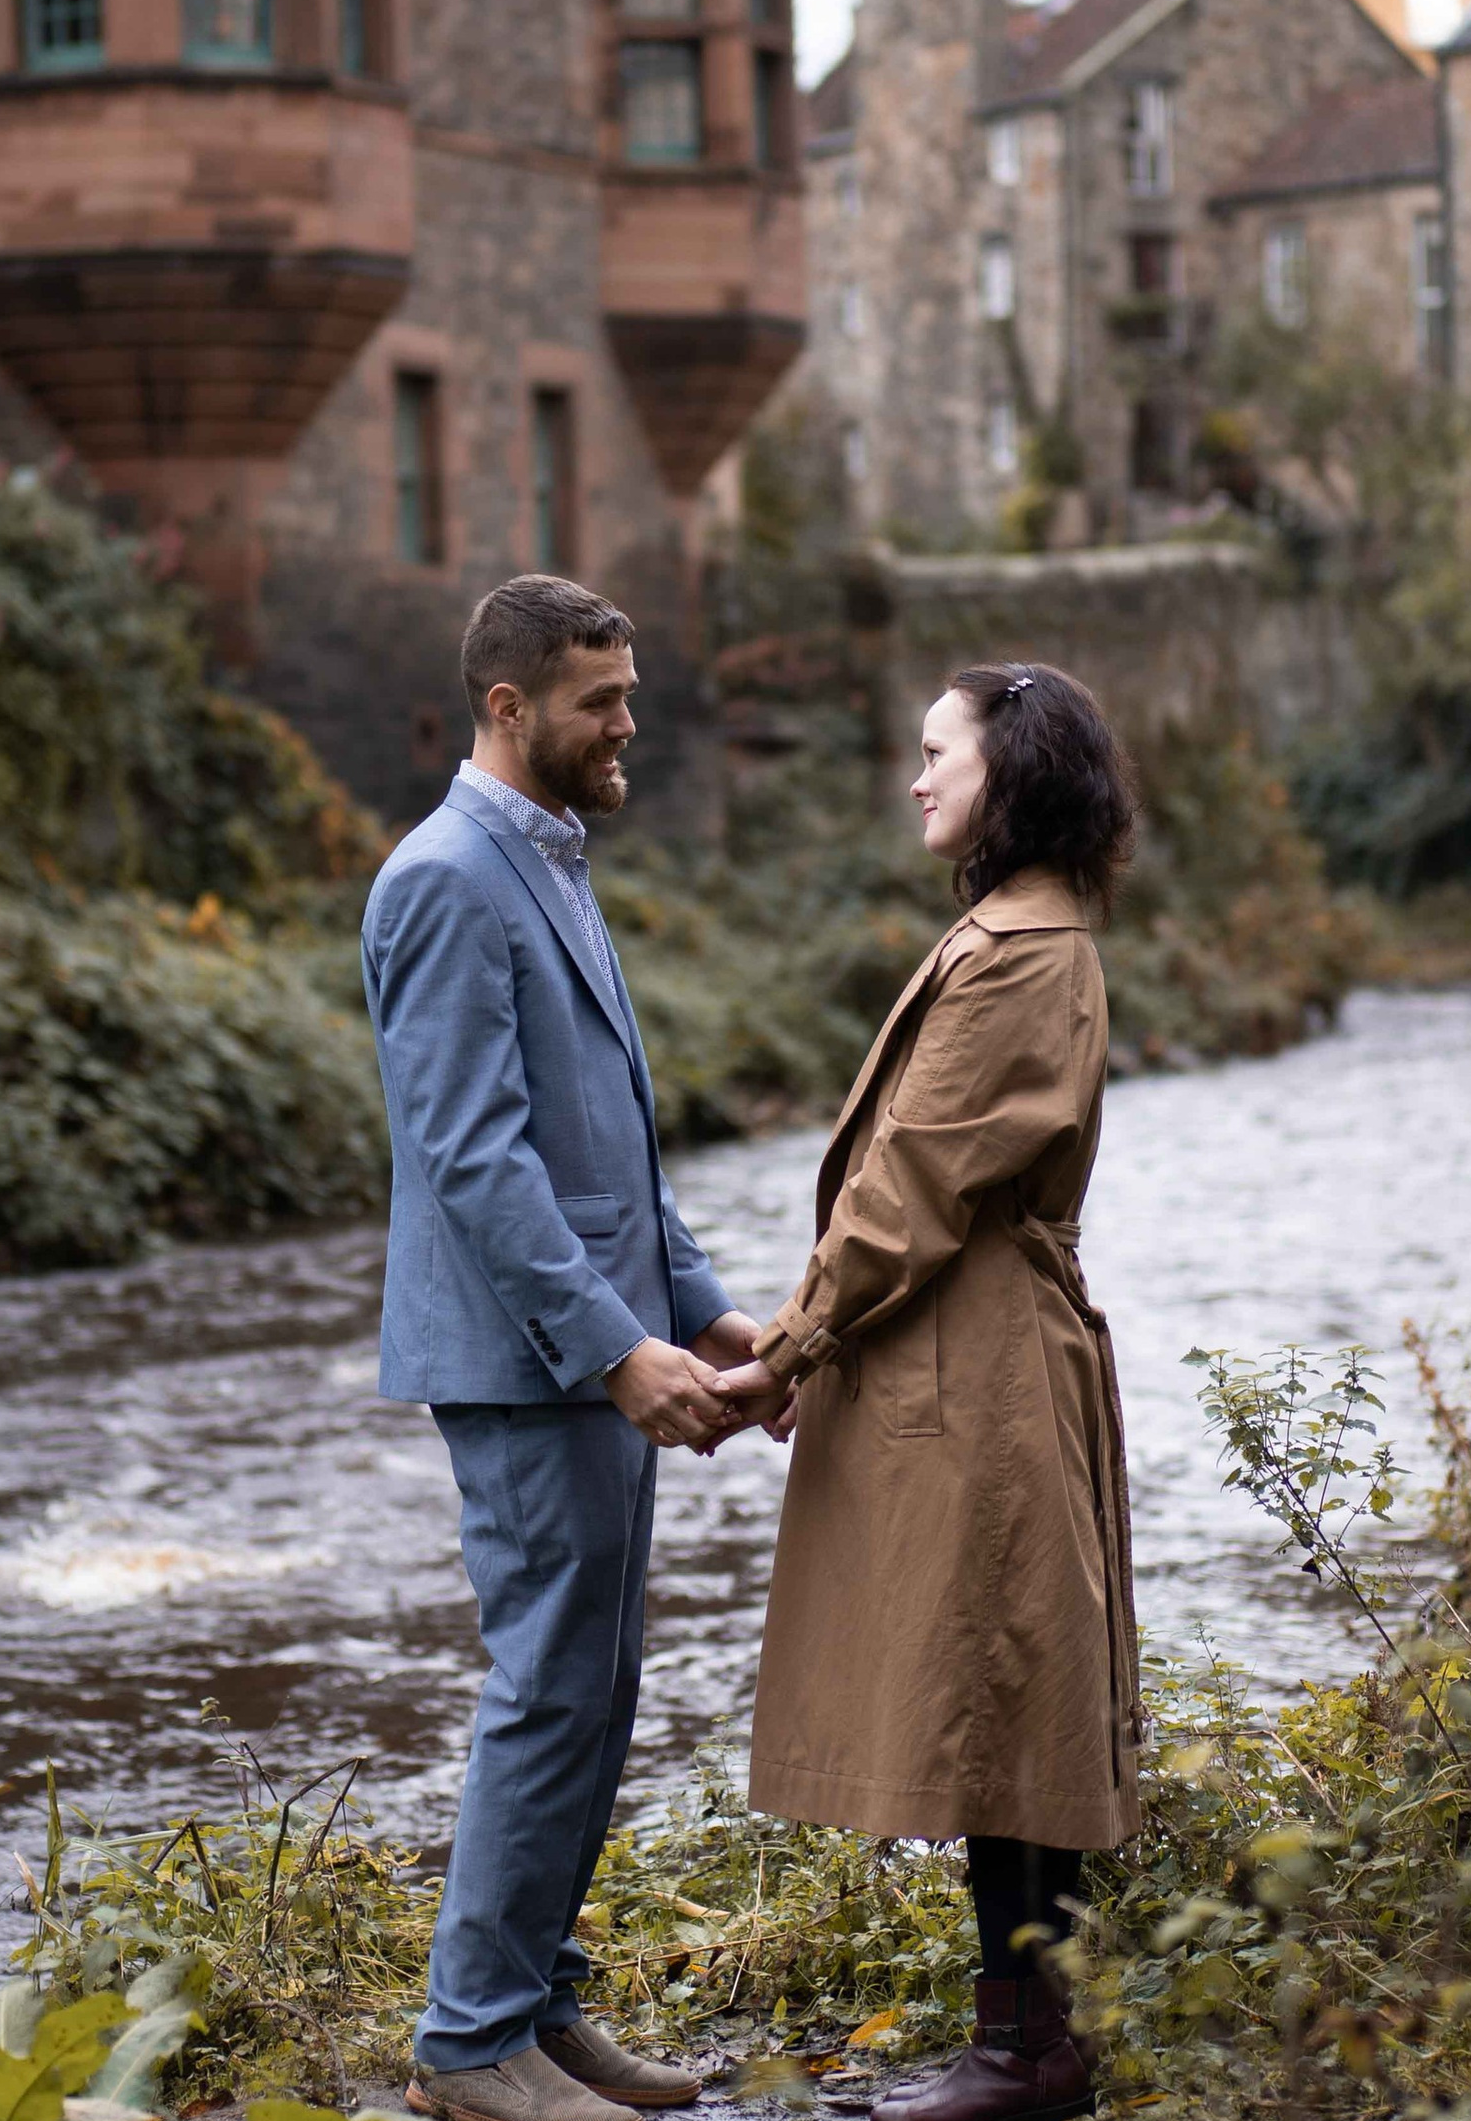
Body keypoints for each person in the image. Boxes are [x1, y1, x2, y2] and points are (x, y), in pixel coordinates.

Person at [709, 663, 1144, 2121]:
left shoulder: (1019, 949)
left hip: (983, 1365)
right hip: (963, 1351)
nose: (915, 775)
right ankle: (1020, 2039)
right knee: (993, 1690)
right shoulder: (1015, 928)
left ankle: (1030, 2053)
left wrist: (792, 1343)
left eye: (935, 752)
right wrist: (805, 1338)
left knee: (1007, 1696)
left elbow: (911, 1187)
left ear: (1007, 772)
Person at [364, 575, 770, 2121]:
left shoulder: (544, 856)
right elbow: (475, 1159)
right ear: (509, 706)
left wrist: (702, 1306)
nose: (630, 720)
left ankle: (534, 2009)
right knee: (551, 1687)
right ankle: (472, 2048)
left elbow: (609, 1148)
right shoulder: (445, 878)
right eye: (602, 699)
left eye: (631, 688)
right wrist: (614, 1352)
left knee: (596, 1687)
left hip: (589, 1348)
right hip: (524, 1365)